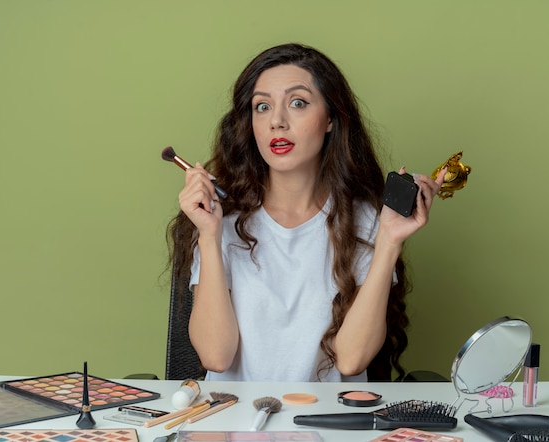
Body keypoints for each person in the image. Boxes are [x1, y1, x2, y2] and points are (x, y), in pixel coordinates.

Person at [167, 43, 446, 382]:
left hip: (325, 425)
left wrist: (388, 242)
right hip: (233, 422)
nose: (277, 122)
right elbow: (215, 356)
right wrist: (210, 236)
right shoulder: (219, 218)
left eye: (298, 103)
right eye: (262, 106)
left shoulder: (366, 221)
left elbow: (351, 361)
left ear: (330, 118)